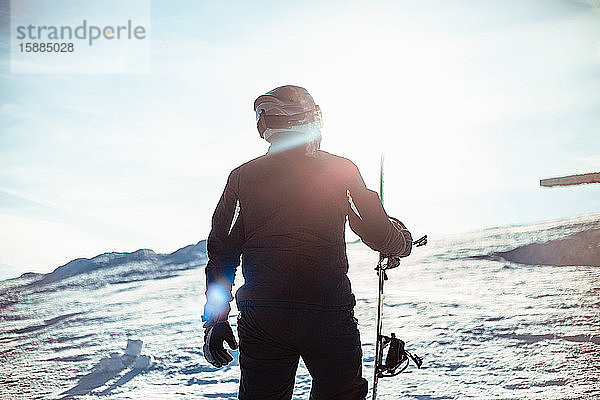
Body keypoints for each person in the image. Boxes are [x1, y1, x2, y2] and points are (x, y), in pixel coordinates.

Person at [203, 85, 412, 399]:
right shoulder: (339, 169)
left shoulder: (242, 178)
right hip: (327, 313)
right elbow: (376, 230)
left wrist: (215, 319)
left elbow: (223, 252)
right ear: (312, 117)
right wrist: (402, 243)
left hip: (264, 318)